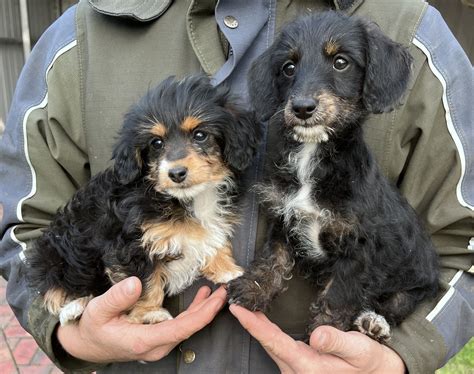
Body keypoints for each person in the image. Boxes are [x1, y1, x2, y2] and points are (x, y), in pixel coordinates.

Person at [0, 0, 472, 372]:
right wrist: (73, 335)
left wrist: (399, 357)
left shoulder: (412, 31)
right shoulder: (80, 36)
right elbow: (27, 229)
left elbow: (464, 248)